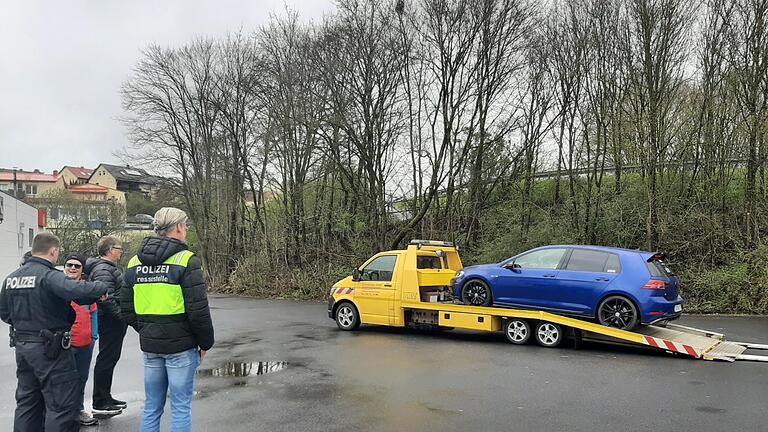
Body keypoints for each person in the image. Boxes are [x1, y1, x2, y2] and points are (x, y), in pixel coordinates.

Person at [0, 232, 108, 431]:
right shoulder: (49, 276)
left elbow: (4, 313)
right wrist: (101, 286)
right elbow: (79, 292)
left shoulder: (11, 278)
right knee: (61, 407)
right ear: (54, 251)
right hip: (51, 350)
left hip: (23, 348)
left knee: (27, 405)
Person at [122, 207, 214, 432]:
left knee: (152, 406)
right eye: (186, 226)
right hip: (181, 347)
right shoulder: (186, 260)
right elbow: (197, 310)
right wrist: (205, 343)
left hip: (151, 346)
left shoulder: (134, 262)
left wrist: (146, 328)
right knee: (181, 407)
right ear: (180, 227)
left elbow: (125, 307)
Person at [64, 253, 110, 426]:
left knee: (81, 378)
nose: (73, 268)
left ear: (82, 270)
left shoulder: (86, 289)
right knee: (64, 380)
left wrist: (93, 336)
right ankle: (64, 414)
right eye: (70, 265)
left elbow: (93, 312)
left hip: (86, 343)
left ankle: (79, 410)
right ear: (64, 267)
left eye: (77, 266)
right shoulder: (58, 287)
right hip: (65, 344)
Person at [86, 235, 128, 416]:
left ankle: (106, 396)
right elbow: (105, 298)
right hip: (110, 321)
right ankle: (101, 400)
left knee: (110, 358)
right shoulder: (103, 269)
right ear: (110, 250)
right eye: (119, 248)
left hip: (113, 320)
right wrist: (121, 316)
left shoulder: (107, 268)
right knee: (106, 359)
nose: (121, 252)